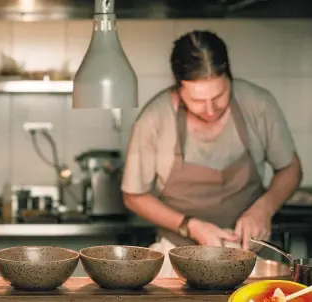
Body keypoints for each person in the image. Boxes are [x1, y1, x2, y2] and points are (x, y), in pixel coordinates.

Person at [121, 30, 303, 277]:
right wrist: (190, 226)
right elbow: (134, 196)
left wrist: (265, 208)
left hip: (251, 256)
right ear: (178, 88)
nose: (209, 109)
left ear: (230, 76)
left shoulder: (258, 104)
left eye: (219, 96)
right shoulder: (154, 119)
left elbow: (291, 169)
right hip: (175, 258)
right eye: (197, 100)